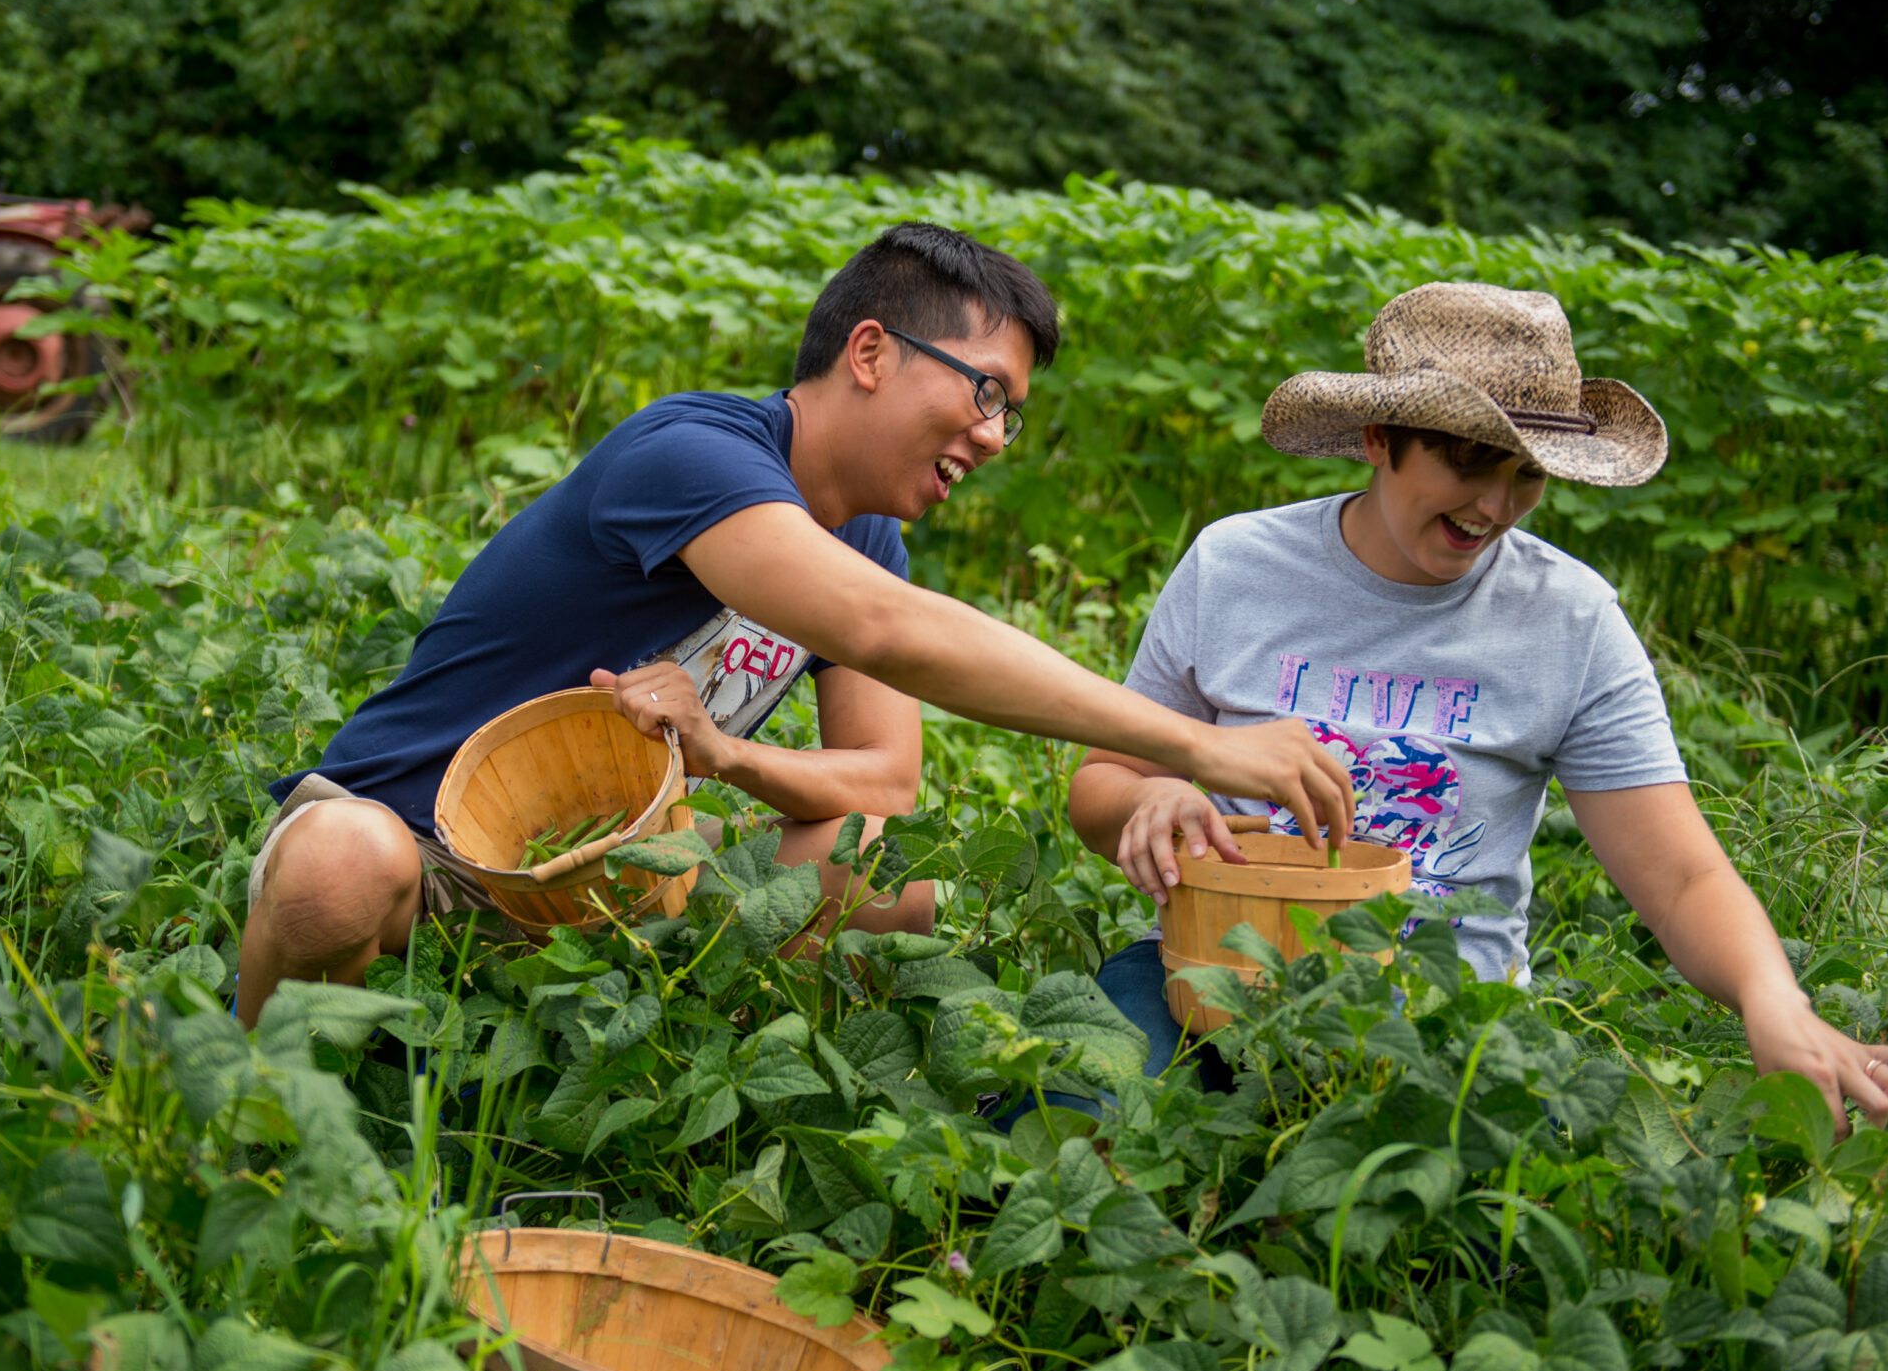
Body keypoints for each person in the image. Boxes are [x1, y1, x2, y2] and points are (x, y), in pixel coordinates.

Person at [234, 224, 1358, 1026]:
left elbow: (887, 783)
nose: (998, 437)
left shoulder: (865, 537)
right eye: (985, 394)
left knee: (888, 877)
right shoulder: (689, 456)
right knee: (340, 864)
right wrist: (1200, 746)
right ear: (870, 353)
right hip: (416, 836)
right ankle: (257, 1104)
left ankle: (661, 1045)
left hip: (602, 866)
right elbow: (887, 630)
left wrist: (723, 755)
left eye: (1013, 414)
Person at [1067, 281, 1888, 1138]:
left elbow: (1683, 877)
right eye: (1468, 464)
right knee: (1079, 1114)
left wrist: (1772, 995)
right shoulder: (1237, 567)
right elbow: (1103, 784)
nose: (1493, 508)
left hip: (1446, 1021)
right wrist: (1152, 799)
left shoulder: (1569, 621)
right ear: (1378, 439)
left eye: (1527, 474)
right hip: (1212, 978)